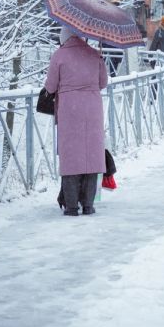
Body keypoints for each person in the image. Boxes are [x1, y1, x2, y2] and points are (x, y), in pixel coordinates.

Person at [45, 26, 108, 216]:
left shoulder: (59, 55)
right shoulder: (94, 54)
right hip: (93, 109)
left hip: (69, 111)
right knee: (91, 156)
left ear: (63, 37)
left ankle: (71, 206)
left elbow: (50, 86)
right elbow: (103, 83)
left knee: (71, 156)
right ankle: (88, 205)